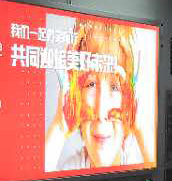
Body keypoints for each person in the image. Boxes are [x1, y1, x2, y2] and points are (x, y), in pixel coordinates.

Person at [45, 19, 148, 171]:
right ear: (75, 97)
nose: (101, 112)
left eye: (115, 87)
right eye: (91, 84)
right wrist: (59, 128)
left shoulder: (139, 159)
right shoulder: (73, 167)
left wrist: (141, 128)